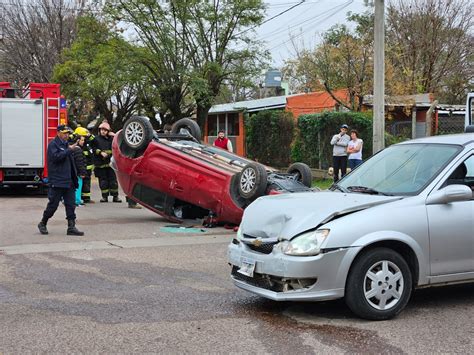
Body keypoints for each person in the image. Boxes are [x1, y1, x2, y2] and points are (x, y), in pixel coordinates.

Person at [37, 125, 84, 236]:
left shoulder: (66, 145)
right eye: (64, 133)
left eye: (68, 133)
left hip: (69, 181)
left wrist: (76, 176)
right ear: (58, 133)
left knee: (71, 205)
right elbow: (56, 158)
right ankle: (43, 223)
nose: (67, 135)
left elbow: (70, 163)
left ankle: (71, 227)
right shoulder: (53, 145)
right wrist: (69, 150)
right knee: (53, 205)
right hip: (57, 181)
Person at [91, 121, 122, 203]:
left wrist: (115, 136)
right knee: (103, 182)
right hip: (100, 164)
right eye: (101, 130)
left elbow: (116, 148)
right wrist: (100, 152)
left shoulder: (112, 139)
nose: (103, 131)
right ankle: (104, 197)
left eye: (105, 130)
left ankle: (115, 196)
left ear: (108, 131)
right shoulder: (96, 139)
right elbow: (93, 149)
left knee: (113, 181)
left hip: (110, 164)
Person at [74, 126, 95, 203]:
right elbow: (80, 161)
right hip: (82, 169)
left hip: (87, 168)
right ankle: (81, 199)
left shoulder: (87, 145)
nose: (85, 140)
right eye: (83, 138)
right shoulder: (78, 148)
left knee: (86, 183)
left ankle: (85, 198)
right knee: (81, 184)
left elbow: (94, 140)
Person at [69, 134, 87, 206]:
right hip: (78, 173)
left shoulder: (73, 148)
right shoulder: (78, 150)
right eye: (82, 140)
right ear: (77, 140)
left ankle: (75, 200)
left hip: (74, 172)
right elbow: (80, 163)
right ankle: (77, 201)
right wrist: (82, 173)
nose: (83, 142)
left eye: (84, 140)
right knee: (78, 187)